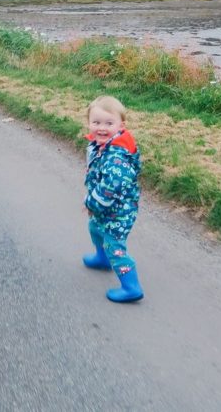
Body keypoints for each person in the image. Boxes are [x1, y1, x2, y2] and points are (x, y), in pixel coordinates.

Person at [81, 95, 144, 303]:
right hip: (106, 207)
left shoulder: (117, 156)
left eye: (109, 123)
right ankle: (102, 259)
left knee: (114, 246)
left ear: (121, 125)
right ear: (88, 123)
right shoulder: (102, 145)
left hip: (119, 210)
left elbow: (111, 186)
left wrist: (92, 203)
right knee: (95, 228)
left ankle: (131, 286)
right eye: (96, 122)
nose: (101, 128)